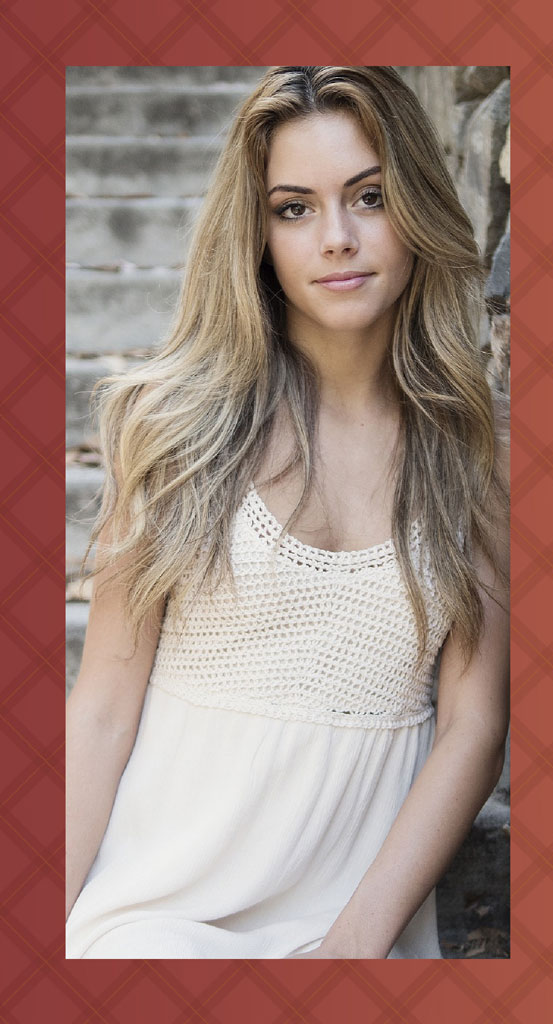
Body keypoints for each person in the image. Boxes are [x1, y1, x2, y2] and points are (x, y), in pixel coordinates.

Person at [65, 65, 509, 960]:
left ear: (416, 204)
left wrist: (351, 951)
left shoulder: (476, 451)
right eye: (294, 208)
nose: (336, 238)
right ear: (257, 233)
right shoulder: (174, 426)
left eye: (368, 197)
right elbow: (105, 704)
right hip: (155, 917)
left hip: (352, 928)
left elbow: (475, 722)